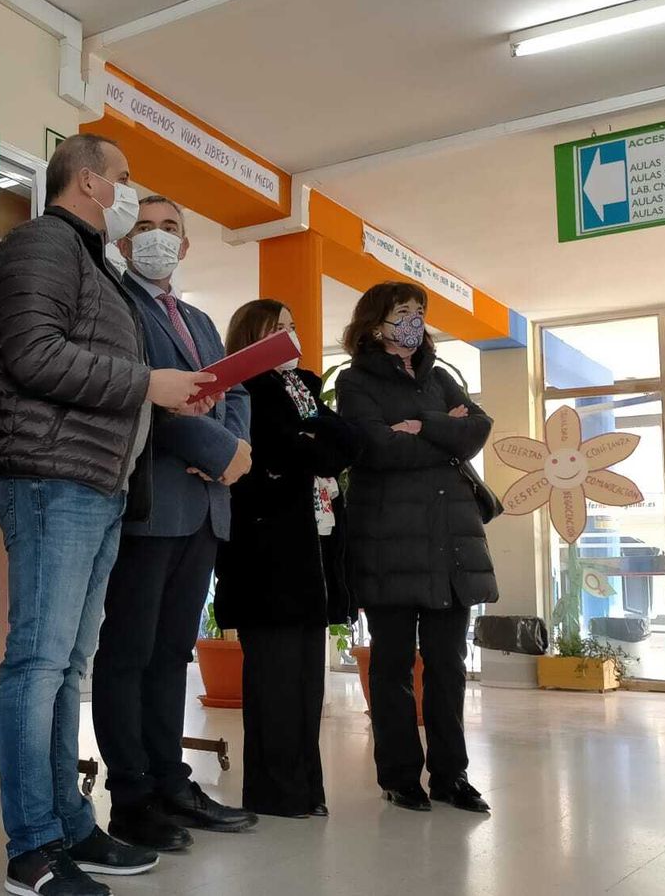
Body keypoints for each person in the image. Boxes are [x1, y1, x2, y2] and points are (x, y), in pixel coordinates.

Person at [0, 132, 216, 896]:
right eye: (121, 180)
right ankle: (32, 850)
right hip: (51, 476)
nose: (128, 196)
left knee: (67, 666)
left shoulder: (94, 263)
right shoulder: (39, 245)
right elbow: (34, 354)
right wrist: (148, 382)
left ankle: (71, 827)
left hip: (96, 481)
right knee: (38, 663)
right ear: (87, 182)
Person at [93, 196, 256, 851]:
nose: (157, 238)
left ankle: (171, 783)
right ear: (123, 239)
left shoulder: (197, 318)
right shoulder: (116, 305)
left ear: (186, 246)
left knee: (170, 655)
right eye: (144, 227)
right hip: (151, 502)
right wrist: (216, 451)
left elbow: (234, 389)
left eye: (169, 229)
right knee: (128, 653)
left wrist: (233, 451)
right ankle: (130, 797)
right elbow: (140, 395)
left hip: (203, 510)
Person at [334, 281, 498, 815]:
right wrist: (440, 434)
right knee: (392, 666)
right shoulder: (356, 382)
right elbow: (376, 449)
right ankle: (400, 776)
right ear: (375, 322)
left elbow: (477, 429)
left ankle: (452, 776)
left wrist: (420, 425)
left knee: (449, 665)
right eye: (403, 311)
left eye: (420, 311)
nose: (414, 320)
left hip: (449, 543)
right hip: (389, 544)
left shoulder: (441, 378)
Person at [213, 299, 363, 819]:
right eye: (277, 328)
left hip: (311, 556)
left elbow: (344, 444)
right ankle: (274, 791)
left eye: (293, 325)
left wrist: (309, 437)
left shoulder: (304, 389)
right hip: (266, 558)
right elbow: (279, 453)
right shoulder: (245, 390)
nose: (290, 335)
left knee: (304, 682)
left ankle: (305, 789)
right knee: (274, 681)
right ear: (252, 334)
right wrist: (307, 443)